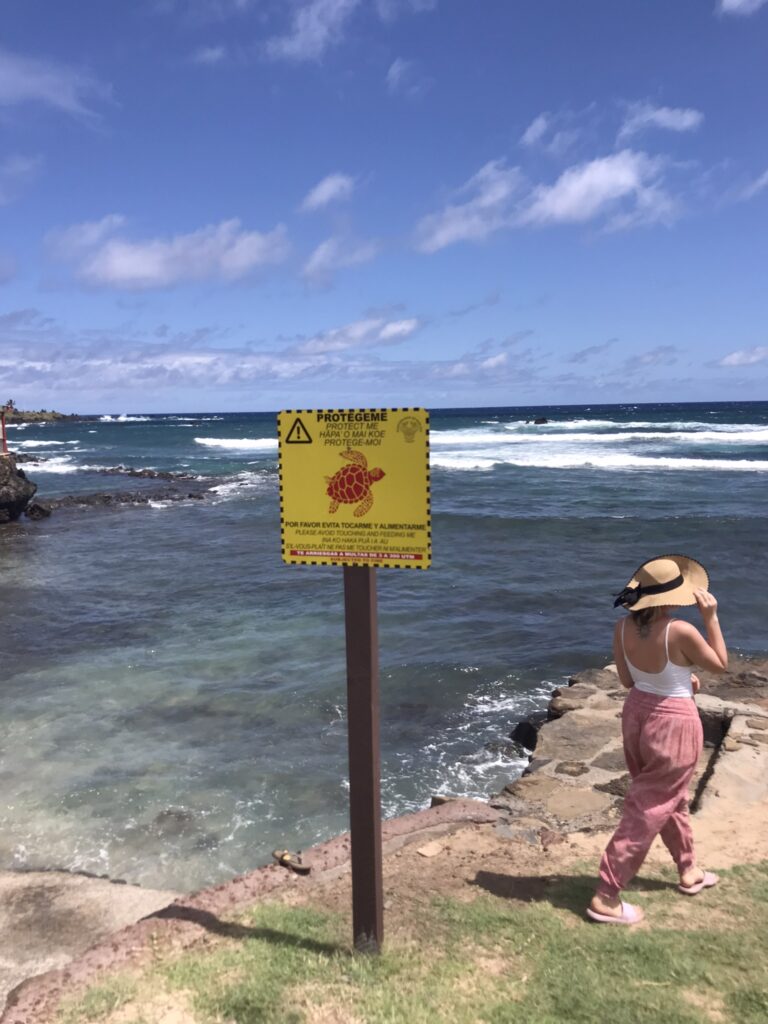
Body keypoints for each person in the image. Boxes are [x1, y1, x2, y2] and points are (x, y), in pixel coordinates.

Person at [587, 554, 728, 925]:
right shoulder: (680, 630)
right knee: (650, 805)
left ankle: (689, 870)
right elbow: (720, 663)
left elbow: (630, 681)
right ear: (672, 598)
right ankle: (606, 895)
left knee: (668, 797)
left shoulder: (621, 628)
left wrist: (681, 681)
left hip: (637, 715)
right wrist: (711, 619)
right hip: (673, 723)